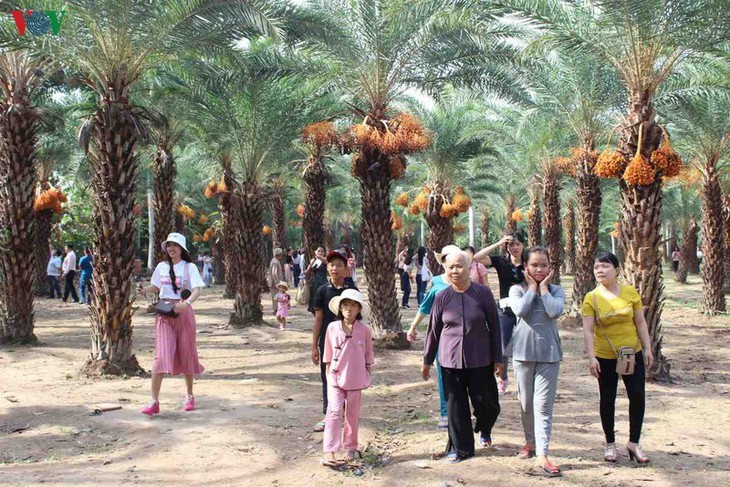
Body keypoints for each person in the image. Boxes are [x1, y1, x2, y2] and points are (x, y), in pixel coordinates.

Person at [422, 250, 503, 463]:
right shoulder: (442, 297)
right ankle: (462, 449)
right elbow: (433, 331)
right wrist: (427, 360)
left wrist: (499, 358)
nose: (455, 271)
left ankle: (484, 425)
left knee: (488, 403)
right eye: (450, 267)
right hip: (450, 361)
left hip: (480, 359)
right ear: (445, 271)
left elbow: (495, 327)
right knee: (456, 406)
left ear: (469, 268)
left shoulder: (483, 294)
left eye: (459, 266)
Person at [581, 251, 654, 465]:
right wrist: (592, 358)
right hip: (605, 357)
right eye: (597, 267)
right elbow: (587, 330)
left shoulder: (630, 293)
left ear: (617, 270)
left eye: (605, 266)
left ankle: (634, 443)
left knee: (637, 396)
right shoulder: (591, 298)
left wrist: (648, 348)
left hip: (632, 353)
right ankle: (610, 443)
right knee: (608, 398)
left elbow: (640, 322)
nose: (600, 270)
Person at [508, 246, 565, 477]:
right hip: (522, 353)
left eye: (544, 265)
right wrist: (532, 288)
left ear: (550, 268)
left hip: (549, 354)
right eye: (534, 265)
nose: (539, 269)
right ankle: (530, 442)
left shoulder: (557, 291)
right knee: (525, 402)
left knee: (542, 405)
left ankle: (542, 453)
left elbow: (554, 312)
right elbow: (520, 310)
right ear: (525, 267)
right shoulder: (516, 290)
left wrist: (543, 289)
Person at [137, 232, 205, 416]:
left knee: (186, 353)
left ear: (182, 248)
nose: (171, 248)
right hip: (164, 313)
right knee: (161, 356)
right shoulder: (161, 267)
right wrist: (144, 290)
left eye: (175, 245)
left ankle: (189, 395)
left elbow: (197, 290)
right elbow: (156, 287)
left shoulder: (189, 267)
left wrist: (186, 304)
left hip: (183, 313)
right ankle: (154, 401)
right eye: (169, 245)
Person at [406, 244, 458, 429]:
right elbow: (425, 306)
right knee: (444, 374)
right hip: (442, 337)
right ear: (443, 262)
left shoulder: (467, 282)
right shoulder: (436, 282)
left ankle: (462, 411)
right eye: (447, 259)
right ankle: (446, 413)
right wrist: (412, 327)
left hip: (463, 338)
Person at [321, 289, 374, 467]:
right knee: (334, 412)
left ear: (359, 309)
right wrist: (329, 374)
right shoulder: (331, 328)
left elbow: (368, 355)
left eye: (353, 305)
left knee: (352, 414)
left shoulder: (364, 330)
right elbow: (327, 355)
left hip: (356, 378)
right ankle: (329, 451)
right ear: (340, 308)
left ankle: (350, 448)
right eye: (345, 305)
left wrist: (367, 374)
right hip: (335, 377)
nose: (349, 309)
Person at [474, 231, 528, 393]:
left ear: (523, 245)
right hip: (505, 309)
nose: (515, 247)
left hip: (525, 309)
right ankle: (502, 378)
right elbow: (475, 258)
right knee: (502, 345)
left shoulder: (529, 262)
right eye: (511, 244)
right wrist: (498, 243)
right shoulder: (500, 261)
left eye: (518, 243)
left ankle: (524, 380)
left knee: (525, 345)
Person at [311, 250, 359, 432]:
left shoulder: (351, 291)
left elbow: (358, 319)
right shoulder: (322, 291)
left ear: (345, 268)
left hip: (348, 343)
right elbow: (318, 319)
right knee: (328, 377)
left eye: (339, 265)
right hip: (328, 343)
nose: (335, 268)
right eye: (331, 265)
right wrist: (314, 345)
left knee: (348, 377)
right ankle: (328, 413)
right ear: (327, 268)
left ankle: (347, 414)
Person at [306, 247, 328, 315]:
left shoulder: (325, 259)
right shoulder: (313, 260)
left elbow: (326, 262)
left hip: (323, 282)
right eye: (319, 251)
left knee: (322, 299)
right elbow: (308, 271)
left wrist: (318, 256)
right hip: (314, 283)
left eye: (322, 251)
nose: (320, 253)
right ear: (315, 251)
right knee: (313, 300)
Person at [267, 248, 285, 314]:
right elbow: (274, 273)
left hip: (274, 282)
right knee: (276, 296)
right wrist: (277, 283)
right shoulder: (275, 262)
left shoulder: (274, 261)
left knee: (276, 296)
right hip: (274, 283)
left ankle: (277, 309)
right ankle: (276, 310)